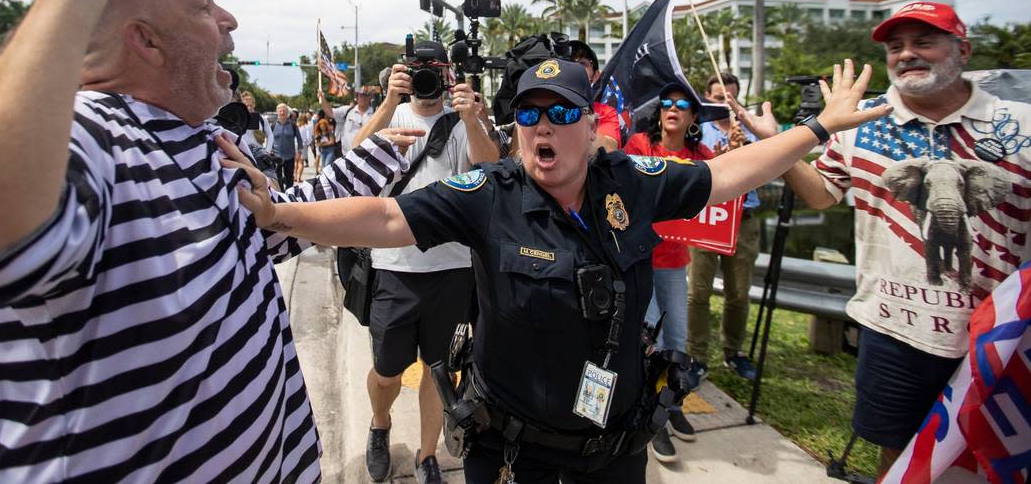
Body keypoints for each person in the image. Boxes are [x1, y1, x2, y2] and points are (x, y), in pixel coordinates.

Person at [0, 0, 423, 484]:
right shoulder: (92, 133)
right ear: (145, 41)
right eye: (204, 6)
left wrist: (383, 148)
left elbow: (273, 229)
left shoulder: (202, 141)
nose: (228, 19)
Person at [219, 56, 888, 483]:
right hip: (509, 455)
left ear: (591, 127)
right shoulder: (489, 194)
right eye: (530, 116)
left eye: (562, 113)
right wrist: (281, 216)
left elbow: (725, 175)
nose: (545, 126)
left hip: (614, 452)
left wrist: (817, 130)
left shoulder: (633, 180)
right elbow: (387, 219)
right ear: (516, 132)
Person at [729, 2, 1030, 476]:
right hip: (892, 329)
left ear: (962, 49)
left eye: (923, 41)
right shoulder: (859, 121)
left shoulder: (1020, 126)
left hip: (997, 336)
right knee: (901, 454)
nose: (907, 54)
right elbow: (823, 195)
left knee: (991, 458)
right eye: (896, 46)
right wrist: (776, 144)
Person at [350, 44, 500, 484]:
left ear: (448, 74)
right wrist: (388, 102)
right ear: (403, 74)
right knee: (386, 370)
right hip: (395, 267)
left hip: (451, 270)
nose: (428, 81)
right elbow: (353, 162)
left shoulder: (460, 122)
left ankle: (427, 454)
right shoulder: (390, 116)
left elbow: (491, 172)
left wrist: (473, 118)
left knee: (440, 372)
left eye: (435, 72)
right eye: (419, 72)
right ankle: (380, 425)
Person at [621, 81, 714, 463]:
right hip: (641, 259)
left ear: (693, 117)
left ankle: (672, 404)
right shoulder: (641, 146)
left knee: (677, 337)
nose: (672, 109)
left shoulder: (702, 154)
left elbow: (725, 186)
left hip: (675, 261)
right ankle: (651, 420)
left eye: (681, 105)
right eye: (666, 104)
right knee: (652, 341)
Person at [688, 71, 761, 385]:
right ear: (707, 97)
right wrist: (722, 155)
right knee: (698, 293)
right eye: (718, 99)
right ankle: (695, 356)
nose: (724, 104)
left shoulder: (752, 130)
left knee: (739, 294)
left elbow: (763, 173)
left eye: (730, 98)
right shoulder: (698, 131)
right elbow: (692, 170)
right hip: (707, 217)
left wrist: (743, 151)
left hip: (743, 217)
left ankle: (734, 352)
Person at [568, 40, 621, 152]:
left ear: (596, 76)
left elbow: (609, 148)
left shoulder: (605, 112)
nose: (575, 69)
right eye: (569, 63)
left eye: (582, 63)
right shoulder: (547, 104)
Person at [320, 83, 376, 157]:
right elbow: (330, 112)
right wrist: (322, 98)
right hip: (347, 156)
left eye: (366, 95)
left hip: (368, 156)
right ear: (357, 97)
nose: (363, 98)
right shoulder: (347, 111)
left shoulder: (376, 113)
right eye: (361, 95)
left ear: (370, 98)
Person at [269, 102, 304, 190]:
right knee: (277, 177)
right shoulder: (273, 126)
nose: (282, 113)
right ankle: (281, 193)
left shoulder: (293, 125)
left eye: (284, 111)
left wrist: (299, 151)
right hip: (276, 157)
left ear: (287, 112)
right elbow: (269, 140)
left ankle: (289, 193)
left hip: (289, 156)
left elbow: (299, 139)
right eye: (280, 111)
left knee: (289, 178)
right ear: (277, 112)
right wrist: (269, 150)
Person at [296, 111, 314, 181]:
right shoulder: (306, 126)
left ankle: (294, 176)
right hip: (303, 145)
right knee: (301, 162)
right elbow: (308, 137)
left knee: (296, 161)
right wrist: (310, 144)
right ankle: (298, 177)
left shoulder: (297, 126)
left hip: (296, 144)